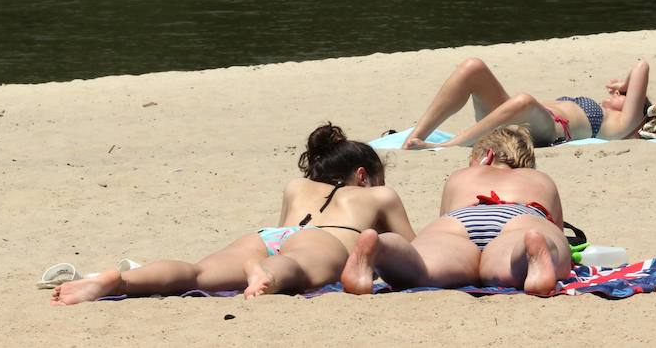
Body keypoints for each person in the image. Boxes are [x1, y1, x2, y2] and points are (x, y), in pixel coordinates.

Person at [50, 123, 415, 305]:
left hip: (268, 237)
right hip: (326, 238)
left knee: (198, 273)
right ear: (364, 175)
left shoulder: (296, 186)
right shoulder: (380, 195)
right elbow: (415, 253)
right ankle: (264, 275)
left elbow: (284, 234)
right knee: (296, 268)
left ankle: (121, 281)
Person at [341, 126, 572, 295]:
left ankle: (381, 247)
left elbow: (444, 219)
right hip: (520, 220)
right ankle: (529, 249)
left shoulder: (461, 176)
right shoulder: (540, 178)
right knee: (517, 258)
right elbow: (558, 231)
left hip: (459, 222)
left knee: (422, 266)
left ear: (485, 157)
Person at [403, 57, 650, 149]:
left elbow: (642, 66)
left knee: (525, 100)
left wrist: (624, 85)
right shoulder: (613, 115)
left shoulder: (623, 124)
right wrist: (624, 89)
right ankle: (415, 137)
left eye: (624, 96)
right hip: (513, 116)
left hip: (547, 129)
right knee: (472, 67)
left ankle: (450, 145)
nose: (618, 94)